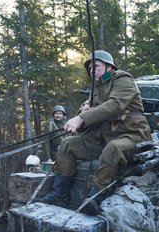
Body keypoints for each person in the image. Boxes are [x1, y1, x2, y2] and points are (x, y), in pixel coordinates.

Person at [35, 50, 151, 213]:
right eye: (89, 68)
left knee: (113, 148)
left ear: (108, 66)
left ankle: (95, 197)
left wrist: (82, 118)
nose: (91, 70)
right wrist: (81, 114)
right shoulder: (95, 89)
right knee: (68, 144)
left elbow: (115, 105)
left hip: (133, 136)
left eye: (96, 66)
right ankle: (59, 195)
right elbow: (87, 121)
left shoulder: (122, 79)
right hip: (103, 139)